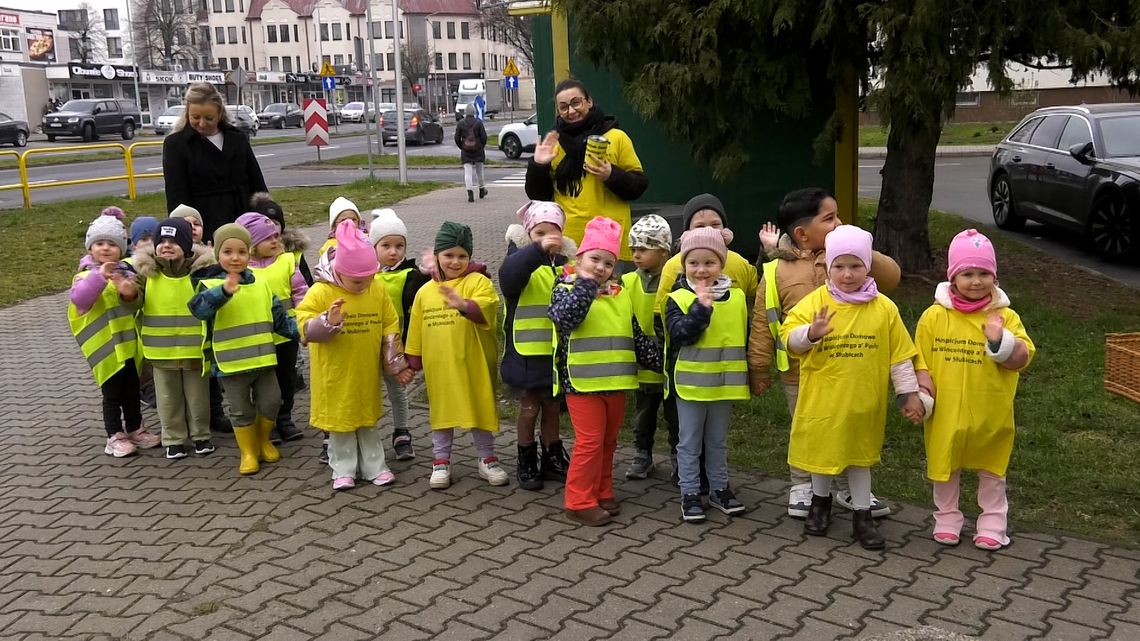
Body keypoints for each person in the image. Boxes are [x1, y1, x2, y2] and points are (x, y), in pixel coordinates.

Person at [747, 188, 902, 520]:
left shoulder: (846, 259)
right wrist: (758, 367)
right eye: (830, 218)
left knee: (846, 427)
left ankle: (848, 487)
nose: (839, 222)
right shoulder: (776, 272)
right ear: (802, 234)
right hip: (799, 372)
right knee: (808, 429)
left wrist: (860, 247)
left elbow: (891, 279)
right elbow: (762, 320)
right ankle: (803, 484)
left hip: (847, 369)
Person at [780, 225, 923, 550]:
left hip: (863, 403)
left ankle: (862, 516)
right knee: (822, 455)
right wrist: (811, 333)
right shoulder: (815, 303)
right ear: (829, 267)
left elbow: (900, 356)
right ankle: (820, 503)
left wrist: (908, 393)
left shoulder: (884, 308)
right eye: (839, 266)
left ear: (867, 266)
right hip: (823, 402)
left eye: (856, 266)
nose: (847, 274)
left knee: (860, 459)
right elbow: (789, 339)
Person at [914, 229, 1034, 551]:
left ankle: (993, 521)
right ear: (952, 277)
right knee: (945, 464)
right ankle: (947, 517)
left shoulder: (1005, 316)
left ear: (995, 276)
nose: (976, 281)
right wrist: (922, 391)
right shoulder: (934, 317)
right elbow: (920, 358)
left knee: (992, 466)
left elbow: (1021, 359)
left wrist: (1000, 341)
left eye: (984, 273)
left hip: (989, 408)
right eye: (967, 274)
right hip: (946, 410)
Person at [548, 216, 662, 527]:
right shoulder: (566, 287)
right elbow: (567, 318)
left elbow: (636, 337)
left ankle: (602, 489)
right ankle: (578, 501)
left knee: (609, 441)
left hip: (616, 382)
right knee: (590, 442)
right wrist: (585, 285)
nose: (601, 267)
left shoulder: (619, 294)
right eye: (594, 259)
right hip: (581, 384)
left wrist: (663, 364)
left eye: (608, 263)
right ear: (579, 258)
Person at [298, 220, 414, 490]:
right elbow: (303, 325)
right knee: (341, 422)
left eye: (369, 278)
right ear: (340, 271)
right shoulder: (321, 291)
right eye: (357, 281)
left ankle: (375, 466)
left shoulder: (377, 288)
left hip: (365, 370)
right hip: (335, 373)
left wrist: (397, 365)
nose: (363, 285)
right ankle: (343, 467)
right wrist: (327, 322)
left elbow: (389, 325)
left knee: (366, 420)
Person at [189, 224, 298, 476]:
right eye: (227, 252)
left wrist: (306, 332)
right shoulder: (208, 284)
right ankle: (248, 452)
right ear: (217, 254)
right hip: (231, 364)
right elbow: (198, 309)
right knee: (241, 411)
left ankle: (263, 440)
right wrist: (223, 292)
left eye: (241, 251)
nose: (235, 257)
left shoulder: (261, 284)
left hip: (263, 360)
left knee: (272, 402)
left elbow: (280, 320)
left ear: (249, 253)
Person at [405, 221, 507, 489]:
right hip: (440, 365)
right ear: (437, 255)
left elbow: (488, 306)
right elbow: (415, 327)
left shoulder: (478, 282)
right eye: (449, 255)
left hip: (475, 362)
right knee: (442, 410)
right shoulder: (425, 291)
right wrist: (412, 360)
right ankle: (441, 460)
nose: (455, 261)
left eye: (462, 256)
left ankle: (487, 457)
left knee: (479, 405)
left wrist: (463, 305)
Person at [664, 227, 750, 523]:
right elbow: (680, 335)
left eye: (709, 262)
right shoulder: (677, 298)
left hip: (724, 385)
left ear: (721, 264)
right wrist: (701, 308)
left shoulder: (737, 297)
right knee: (689, 443)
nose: (701, 269)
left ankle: (719, 489)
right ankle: (690, 492)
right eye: (693, 263)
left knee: (717, 441)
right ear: (684, 264)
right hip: (691, 386)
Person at [68, 208, 161, 457]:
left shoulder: (126, 272)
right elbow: (81, 299)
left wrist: (126, 290)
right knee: (112, 395)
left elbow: (134, 303)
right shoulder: (84, 276)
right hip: (106, 352)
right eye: (99, 243)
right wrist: (100, 276)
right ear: (90, 248)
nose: (106, 248)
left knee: (131, 391)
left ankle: (135, 428)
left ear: (122, 249)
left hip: (128, 346)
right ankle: (114, 435)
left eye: (112, 244)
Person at [525, 79, 648, 260]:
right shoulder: (553, 144)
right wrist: (538, 166)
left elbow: (639, 186)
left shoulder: (616, 137)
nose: (571, 111)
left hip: (609, 241)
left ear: (589, 102)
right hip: (568, 242)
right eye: (563, 107)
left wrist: (611, 175)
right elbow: (538, 196)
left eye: (576, 103)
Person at [501, 200, 577, 490]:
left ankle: (552, 455)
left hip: (554, 353)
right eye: (539, 233)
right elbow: (509, 278)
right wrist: (536, 250)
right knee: (529, 407)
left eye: (553, 233)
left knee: (552, 406)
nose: (547, 239)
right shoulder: (518, 261)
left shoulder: (565, 265)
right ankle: (526, 457)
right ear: (528, 235)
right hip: (526, 352)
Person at [132, 218, 216, 459]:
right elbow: (134, 301)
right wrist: (127, 294)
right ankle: (174, 439)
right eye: (162, 241)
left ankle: (201, 436)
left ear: (187, 245)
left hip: (194, 351)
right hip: (161, 353)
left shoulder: (200, 272)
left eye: (174, 241)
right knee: (168, 400)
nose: (167, 246)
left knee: (198, 399)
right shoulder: (147, 274)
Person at [236, 212, 308, 443]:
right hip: (258, 337)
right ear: (252, 244)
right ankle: (267, 422)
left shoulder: (287, 261)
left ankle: (285, 419)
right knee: (262, 384)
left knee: (286, 379)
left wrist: (303, 320)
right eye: (268, 238)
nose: (275, 241)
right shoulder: (243, 269)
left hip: (286, 335)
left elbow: (301, 293)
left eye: (276, 236)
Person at [162, 82, 267, 241]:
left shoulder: (237, 138)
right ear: (187, 113)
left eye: (209, 118)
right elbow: (176, 195)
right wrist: (184, 231)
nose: (202, 123)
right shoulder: (176, 144)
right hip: (204, 223)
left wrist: (266, 215)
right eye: (195, 117)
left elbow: (257, 182)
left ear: (220, 113)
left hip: (243, 216)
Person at [369, 208, 431, 460]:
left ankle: (402, 432)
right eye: (386, 245)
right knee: (367, 390)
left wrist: (429, 274)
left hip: (397, 346)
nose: (393, 252)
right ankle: (364, 435)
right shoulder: (365, 275)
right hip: (367, 344)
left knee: (397, 390)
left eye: (399, 246)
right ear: (373, 247)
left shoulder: (412, 275)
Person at [621, 214, 677, 480]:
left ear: (663, 252)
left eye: (643, 249)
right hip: (642, 365)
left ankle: (679, 457)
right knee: (643, 414)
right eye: (633, 249)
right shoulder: (627, 282)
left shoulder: (676, 280)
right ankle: (642, 453)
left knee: (675, 416)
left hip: (670, 364)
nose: (636, 255)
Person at [171, 202, 231, 435]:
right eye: (186, 224)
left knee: (210, 375)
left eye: (197, 223)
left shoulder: (211, 256)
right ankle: (185, 419)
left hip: (208, 325)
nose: (193, 227)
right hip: (181, 328)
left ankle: (215, 413)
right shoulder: (170, 257)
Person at [455, 104, 488, 203]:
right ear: (474, 112)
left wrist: (462, 147)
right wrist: (481, 146)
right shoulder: (479, 123)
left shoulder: (460, 123)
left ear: (466, 112)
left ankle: (470, 193)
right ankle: (481, 189)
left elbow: (457, 138)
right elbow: (484, 137)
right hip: (478, 150)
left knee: (468, 172)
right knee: (479, 171)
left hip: (466, 151)